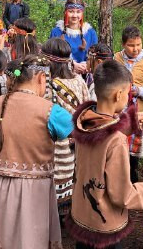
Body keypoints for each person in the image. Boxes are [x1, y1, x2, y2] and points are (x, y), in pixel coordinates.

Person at [0, 53, 73, 249]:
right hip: (30, 193)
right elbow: (79, 130)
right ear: (41, 78)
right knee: (26, 240)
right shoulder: (50, 111)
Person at [65, 59, 143, 249]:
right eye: (128, 93)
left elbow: (103, 129)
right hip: (105, 224)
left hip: (82, 215)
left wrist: (129, 122)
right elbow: (122, 195)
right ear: (119, 94)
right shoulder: (116, 140)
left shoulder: (84, 122)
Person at [42, 37, 91, 215]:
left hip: (57, 145)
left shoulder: (48, 86)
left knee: (56, 185)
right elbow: (87, 107)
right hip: (78, 141)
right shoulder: (79, 80)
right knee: (73, 181)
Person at [114, 25, 143, 183]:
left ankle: (132, 183)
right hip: (118, 115)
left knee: (133, 154)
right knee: (118, 149)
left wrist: (139, 91)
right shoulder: (116, 59)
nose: (135, 49)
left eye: (138, 45)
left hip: (138, 116)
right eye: (131, 45)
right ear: (123, 44)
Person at [49, 0, 98, 74]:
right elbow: (51, 57)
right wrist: (71, 65)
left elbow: (95, 57)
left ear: (82, 13)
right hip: (62, 75)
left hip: (86, 75)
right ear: (65, 12)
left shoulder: (90, 33)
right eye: (71, 11)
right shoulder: (56, 32)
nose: (75, 15)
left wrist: (87, 65)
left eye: (78, 12)